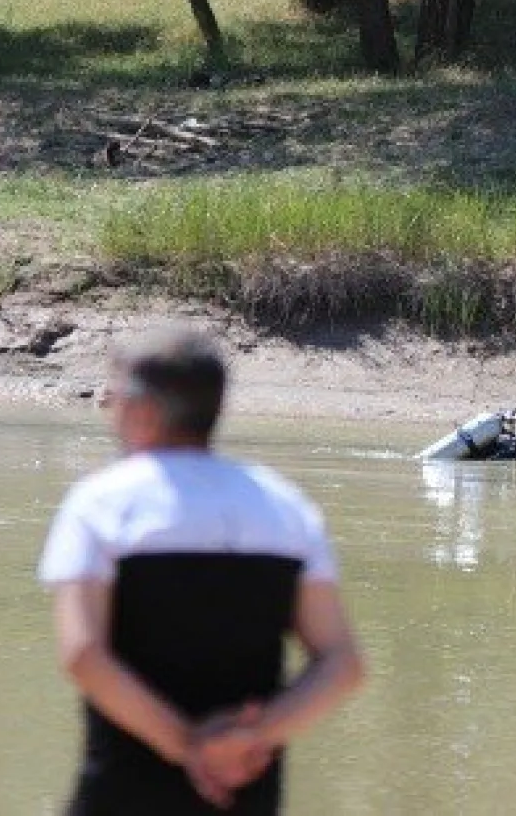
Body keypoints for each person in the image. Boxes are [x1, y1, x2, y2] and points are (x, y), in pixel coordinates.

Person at [38, 326, 366, 815]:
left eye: (114, 397)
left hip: (122, 795)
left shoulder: (102, 504)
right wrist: (252, 735)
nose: (110, 411)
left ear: (142, 410)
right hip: (246, 795)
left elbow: (84, 654)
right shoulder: (284, 507)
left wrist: (187, 747)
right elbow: (342, 664)